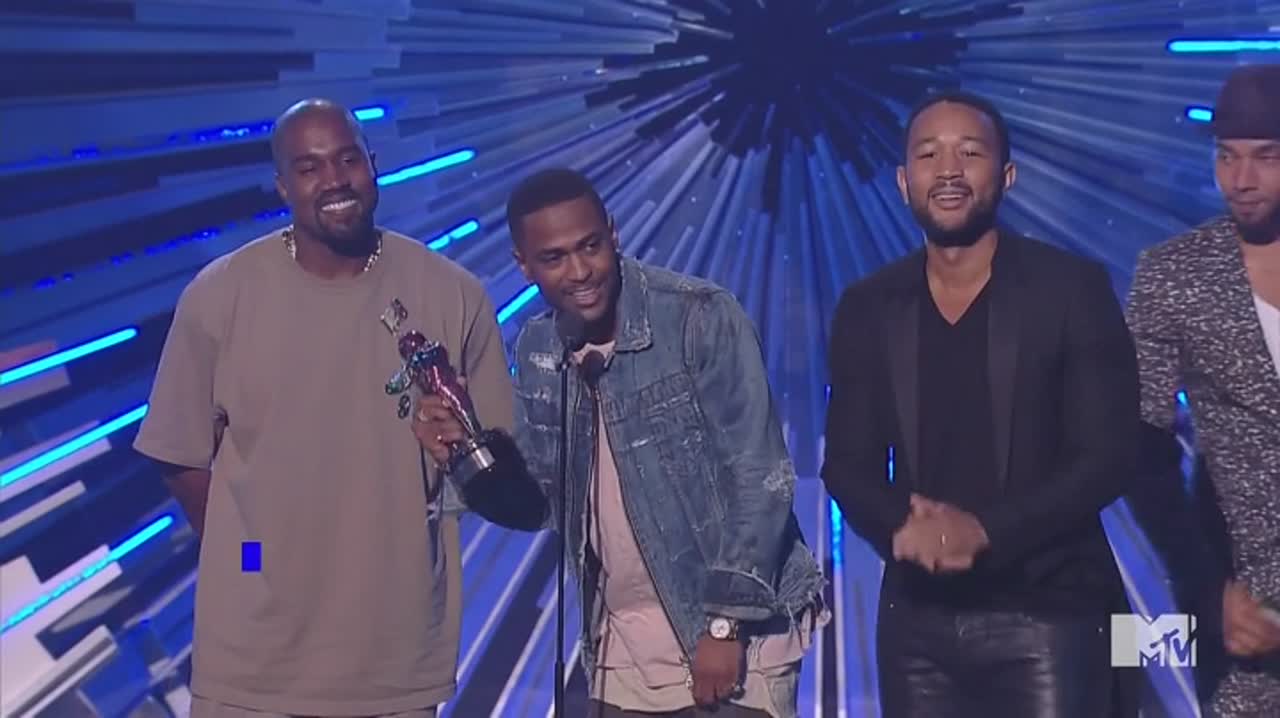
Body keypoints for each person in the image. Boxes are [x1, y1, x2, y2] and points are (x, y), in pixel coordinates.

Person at [133, 98, 513, 718]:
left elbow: (502, 462)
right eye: (309, 168)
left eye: (347, 160)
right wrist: (251, 558)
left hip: (394, 665)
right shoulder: (221, 296)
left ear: (373, 164)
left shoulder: (452, 295)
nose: (334, 180)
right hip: (252, 670)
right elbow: (178, 452)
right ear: (283, 186)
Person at [413, 168, 825, 717]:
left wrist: (725, 623)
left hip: (734, 646)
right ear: (524, 264)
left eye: (590, 246)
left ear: (612, 233)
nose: (580, 271)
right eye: (554, 258)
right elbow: (542, 503)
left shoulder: (697, 317)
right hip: (620, 655)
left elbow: (761, 477)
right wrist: (464, 456)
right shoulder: (541, 346)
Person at [820, 90, 1140, 717]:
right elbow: (847, 465)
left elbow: (1109, 454)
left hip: (1054, 610)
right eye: (928, 154)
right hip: (918, 624)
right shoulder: (869, 305)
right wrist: (906, 528)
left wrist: (985, 532)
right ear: (903, 181)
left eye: (969, 153)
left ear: (1007, 175)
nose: (948, 170)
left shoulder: (1071, 288)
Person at [1126, 63, 1280, 715]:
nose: (1240, 179)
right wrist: (1208, 588)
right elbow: (1141, 449)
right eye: (1226, 156)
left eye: (1266, 157)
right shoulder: (1172, 275)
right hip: (1241, 604)